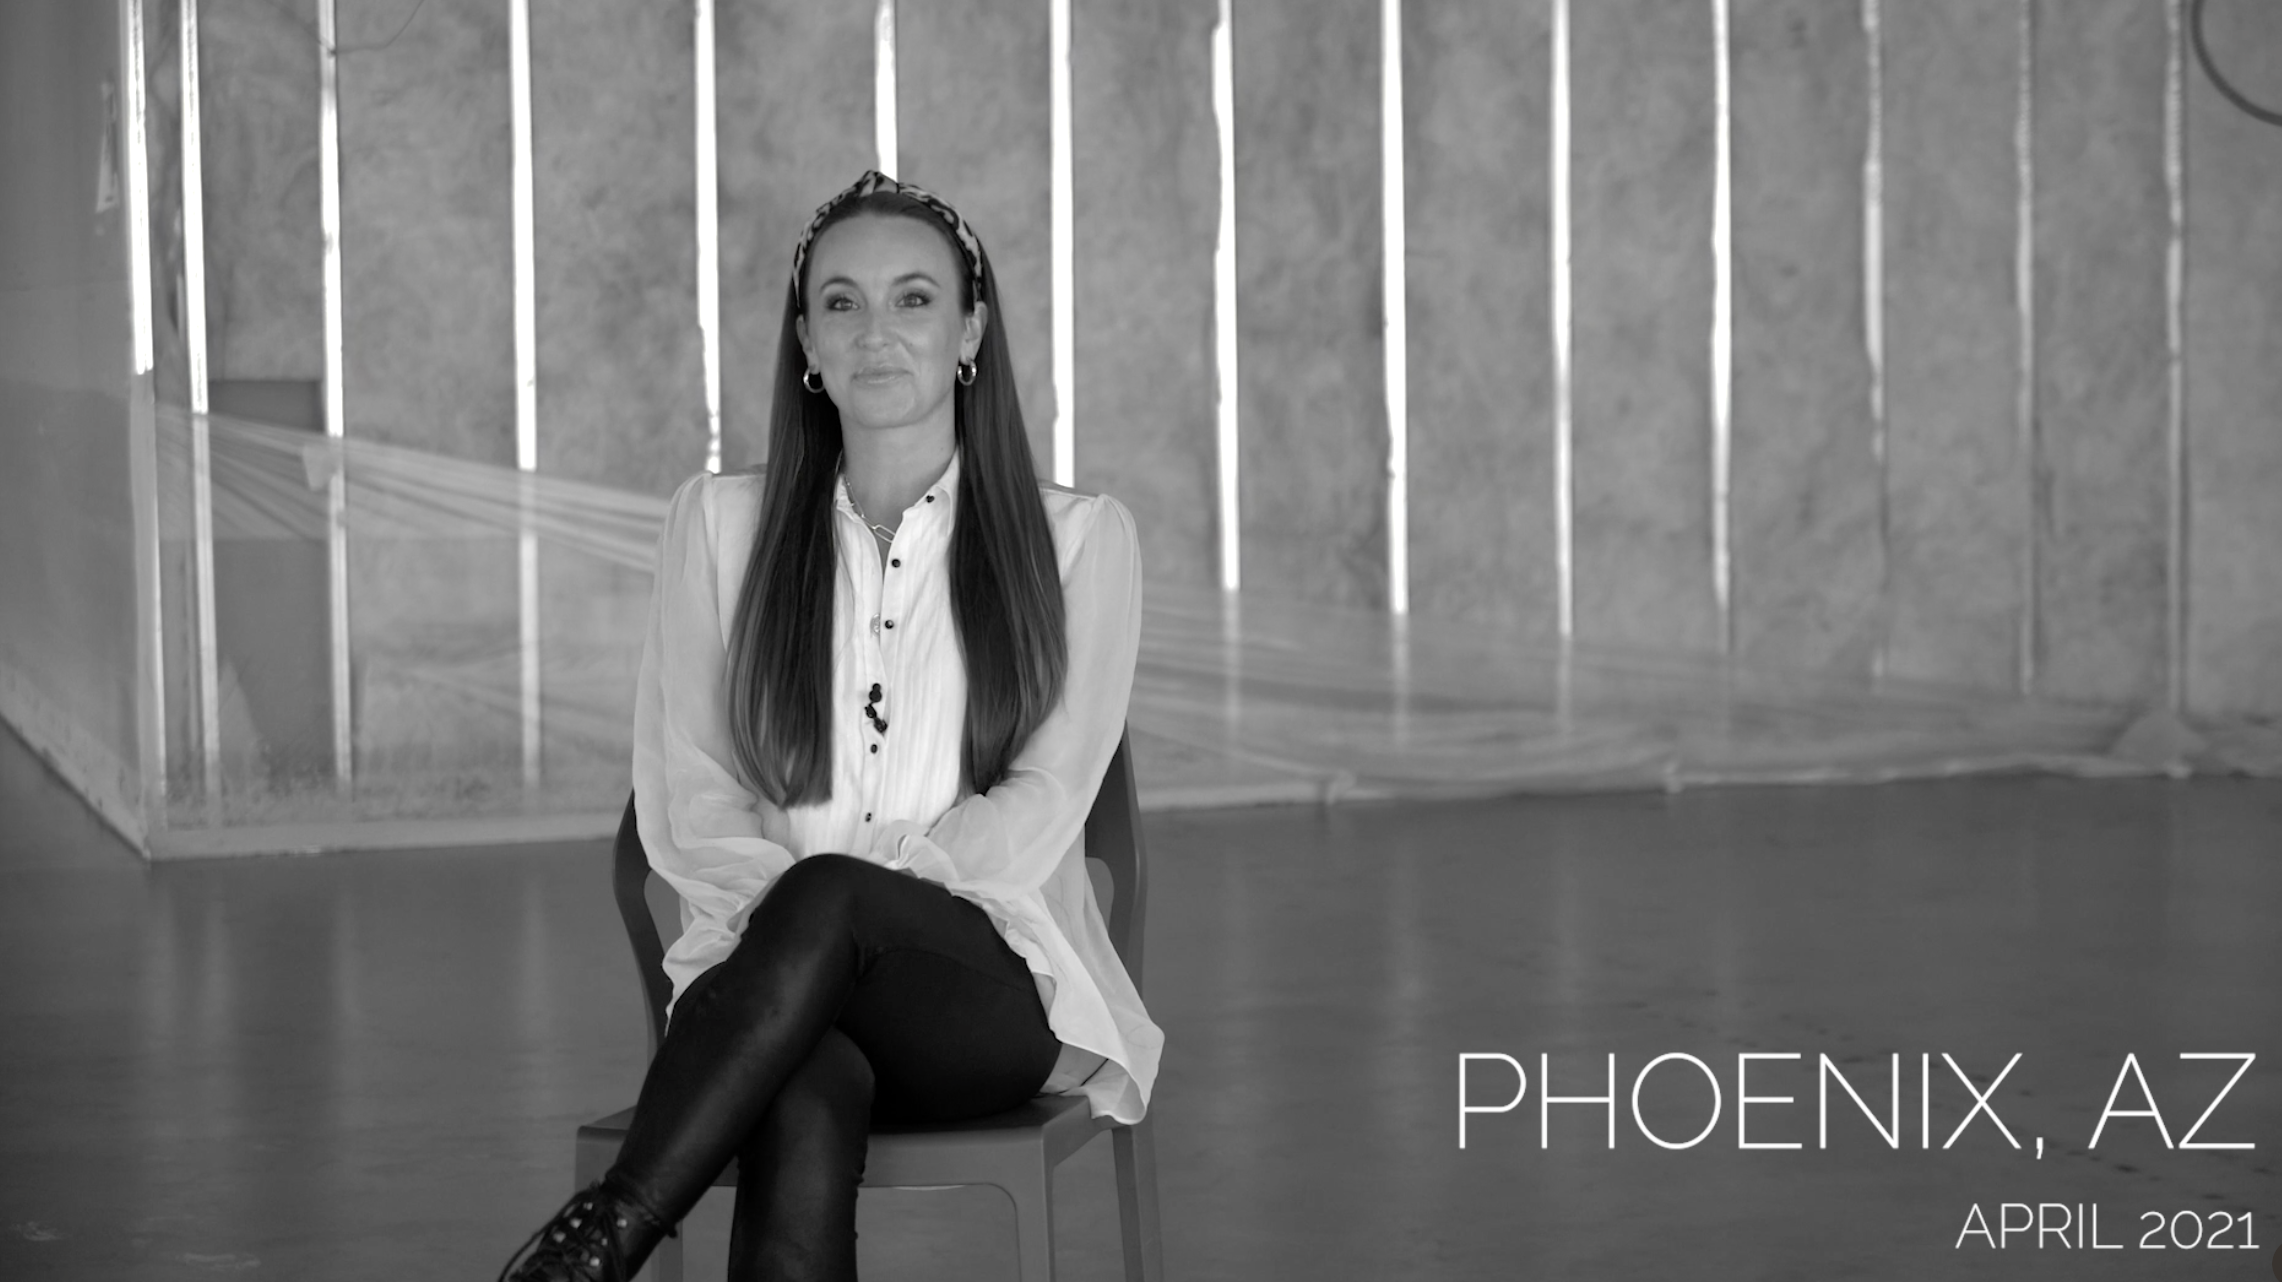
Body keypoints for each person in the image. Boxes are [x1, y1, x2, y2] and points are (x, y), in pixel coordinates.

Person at [499, 171, 1161, 1281]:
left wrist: (843, 904)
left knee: (831, 898)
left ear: (970, 332)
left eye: (914, 299)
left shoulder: (1080, 542)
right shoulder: (719, 528)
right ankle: (595, 1250)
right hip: (761, 983)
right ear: (806, 340)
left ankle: (606, 1231)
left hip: (977, 997)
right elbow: (692, 787)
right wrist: (798, 938)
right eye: (841, 303)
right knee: (804, 1080)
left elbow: (1047, 798)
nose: (875, 332)